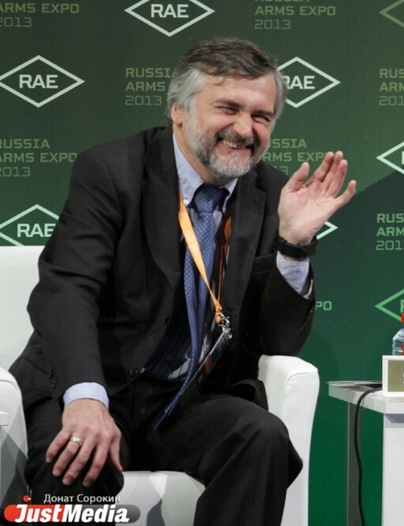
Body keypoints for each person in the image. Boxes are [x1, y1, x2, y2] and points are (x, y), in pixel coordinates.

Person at [9, 36, 355, 525]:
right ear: (178, 110)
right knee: (75, 455)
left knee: (262, 437)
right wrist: (85, 397)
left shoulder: (274, 194)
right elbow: (68, 289)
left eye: (261, 116)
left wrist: (293, 245)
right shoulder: (112, 170)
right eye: (228, 108)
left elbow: (276, 342)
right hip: (100, 383)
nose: (245, 129)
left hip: (188, 401)